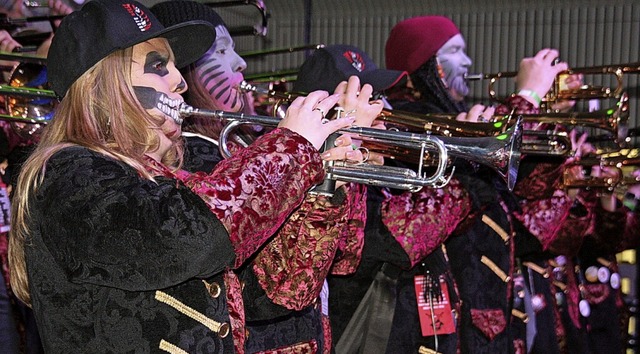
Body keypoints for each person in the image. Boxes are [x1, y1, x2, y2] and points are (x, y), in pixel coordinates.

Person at [8, 0, 358, 352]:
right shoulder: (67, 174)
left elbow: (275, 295)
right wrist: (288, 149)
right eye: (159, 66)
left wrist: (322, 189)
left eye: (175, 65)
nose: (179, 81)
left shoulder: (166, 175)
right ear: (105, 86)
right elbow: (188, 237)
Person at [150, 2, 383, 352]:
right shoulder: (193, 157)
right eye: (223, 51)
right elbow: (268, 286)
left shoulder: (254, 144)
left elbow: (345, 254)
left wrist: (340, 159)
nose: (241, 63)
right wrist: (297, 151)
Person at [384, 15, 575, 353]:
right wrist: (527, 96)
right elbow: (463, 187)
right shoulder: (410, 121)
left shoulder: (458, 114)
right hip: (445, 318)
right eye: (456, 50)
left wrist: (546, 114)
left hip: (486, 311)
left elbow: (525, 189)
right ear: (427, 64)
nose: (468, 61)